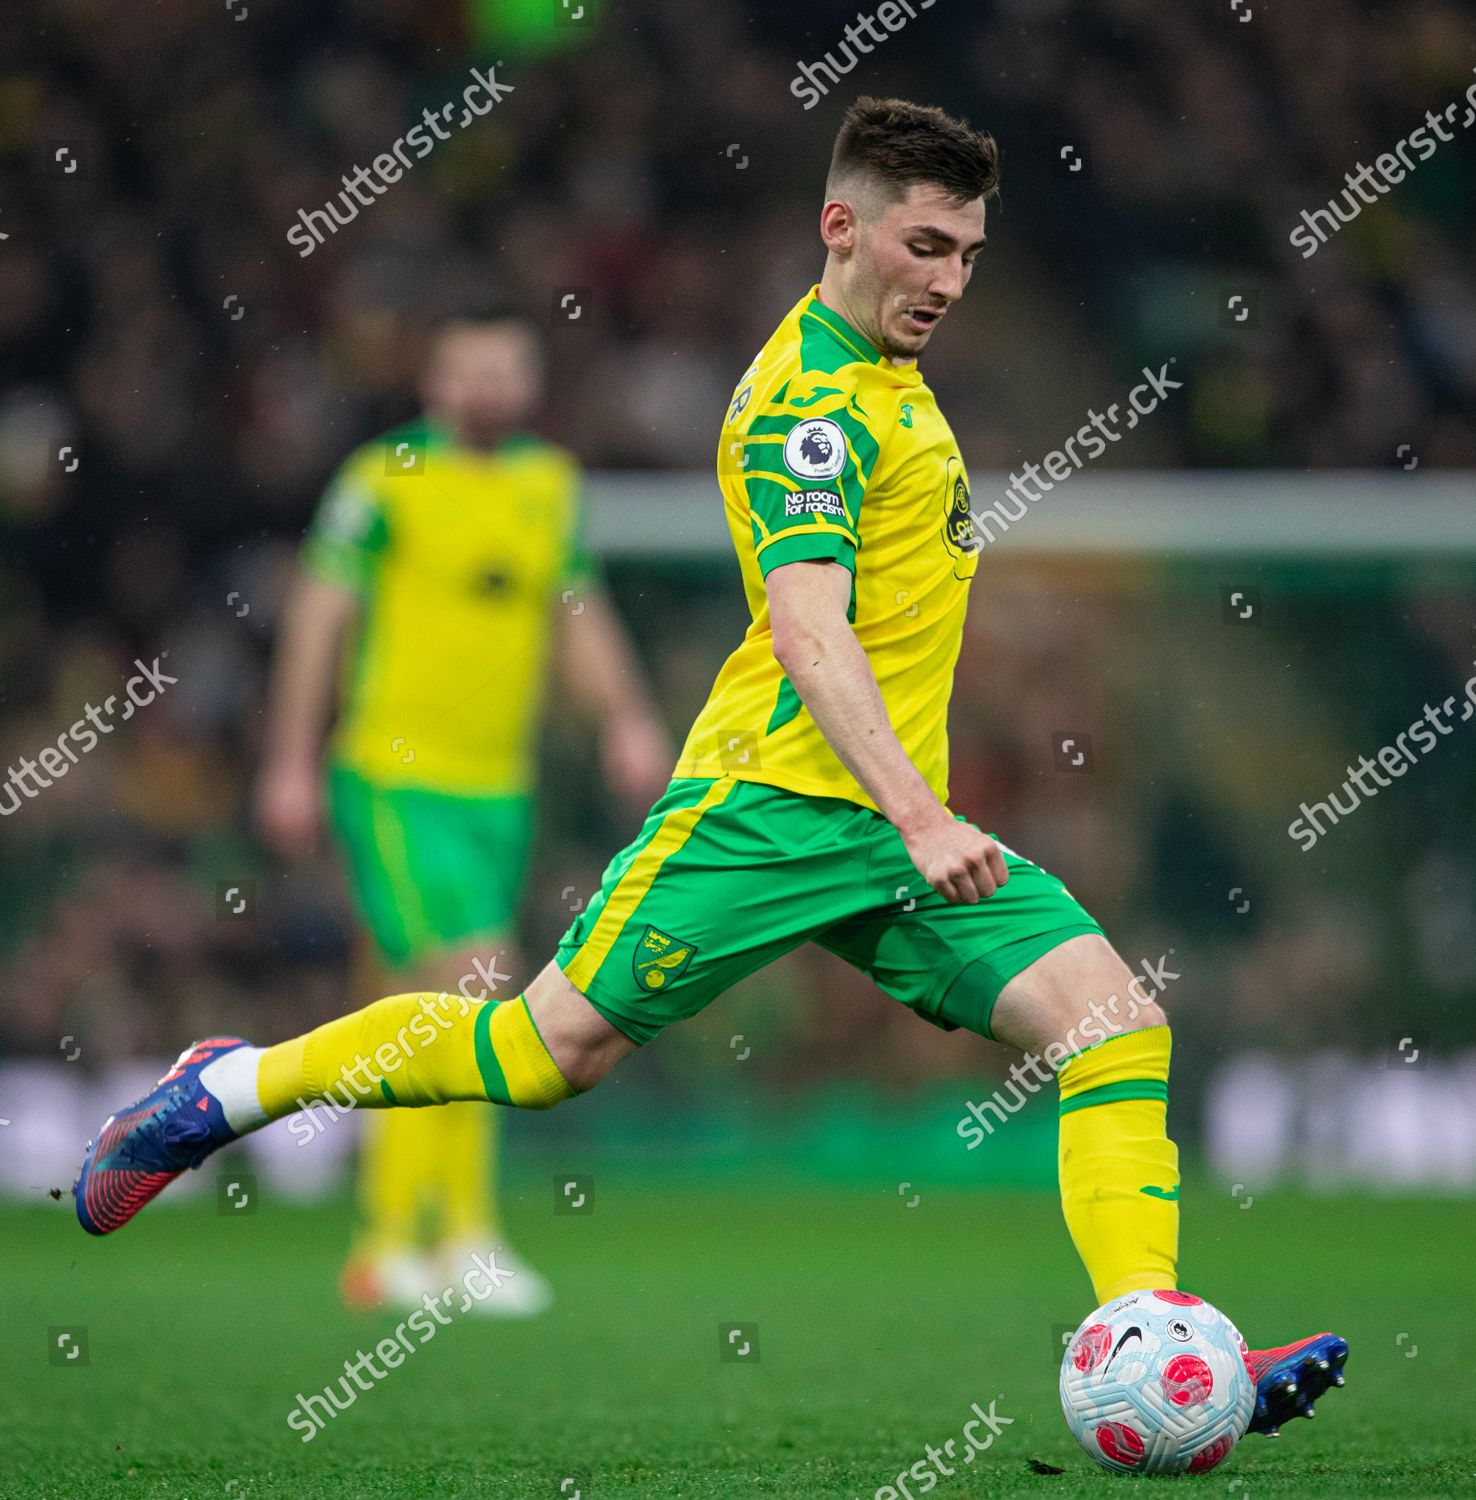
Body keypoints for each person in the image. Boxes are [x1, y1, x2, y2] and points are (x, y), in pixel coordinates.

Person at [75, 96, 1344, 1436]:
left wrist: (907, 813)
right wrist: (918, 813)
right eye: (926, 246)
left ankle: (1165, 1348)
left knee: (1114, 1023)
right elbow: (806, 626)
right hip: (770, 809)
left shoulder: (897, 391)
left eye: (969, 254)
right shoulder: (800, 406)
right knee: (541, 1049)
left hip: (888, 827)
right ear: (839, 227)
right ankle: (227, 1087)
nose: (951, 281)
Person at [251, 308, 670, 1312]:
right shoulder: (381, 480)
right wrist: (289, 762)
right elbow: (318, 612)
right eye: (468, 370)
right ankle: (468, 1239)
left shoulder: (548, 486)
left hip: (499, 788)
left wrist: (627, 718)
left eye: (505, 370)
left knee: (414, 1006)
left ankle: (389, 1242)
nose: (487, 387)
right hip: (397, 780)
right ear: (433, 380)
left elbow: (577, 611)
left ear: (528, 382)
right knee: (479, 982)